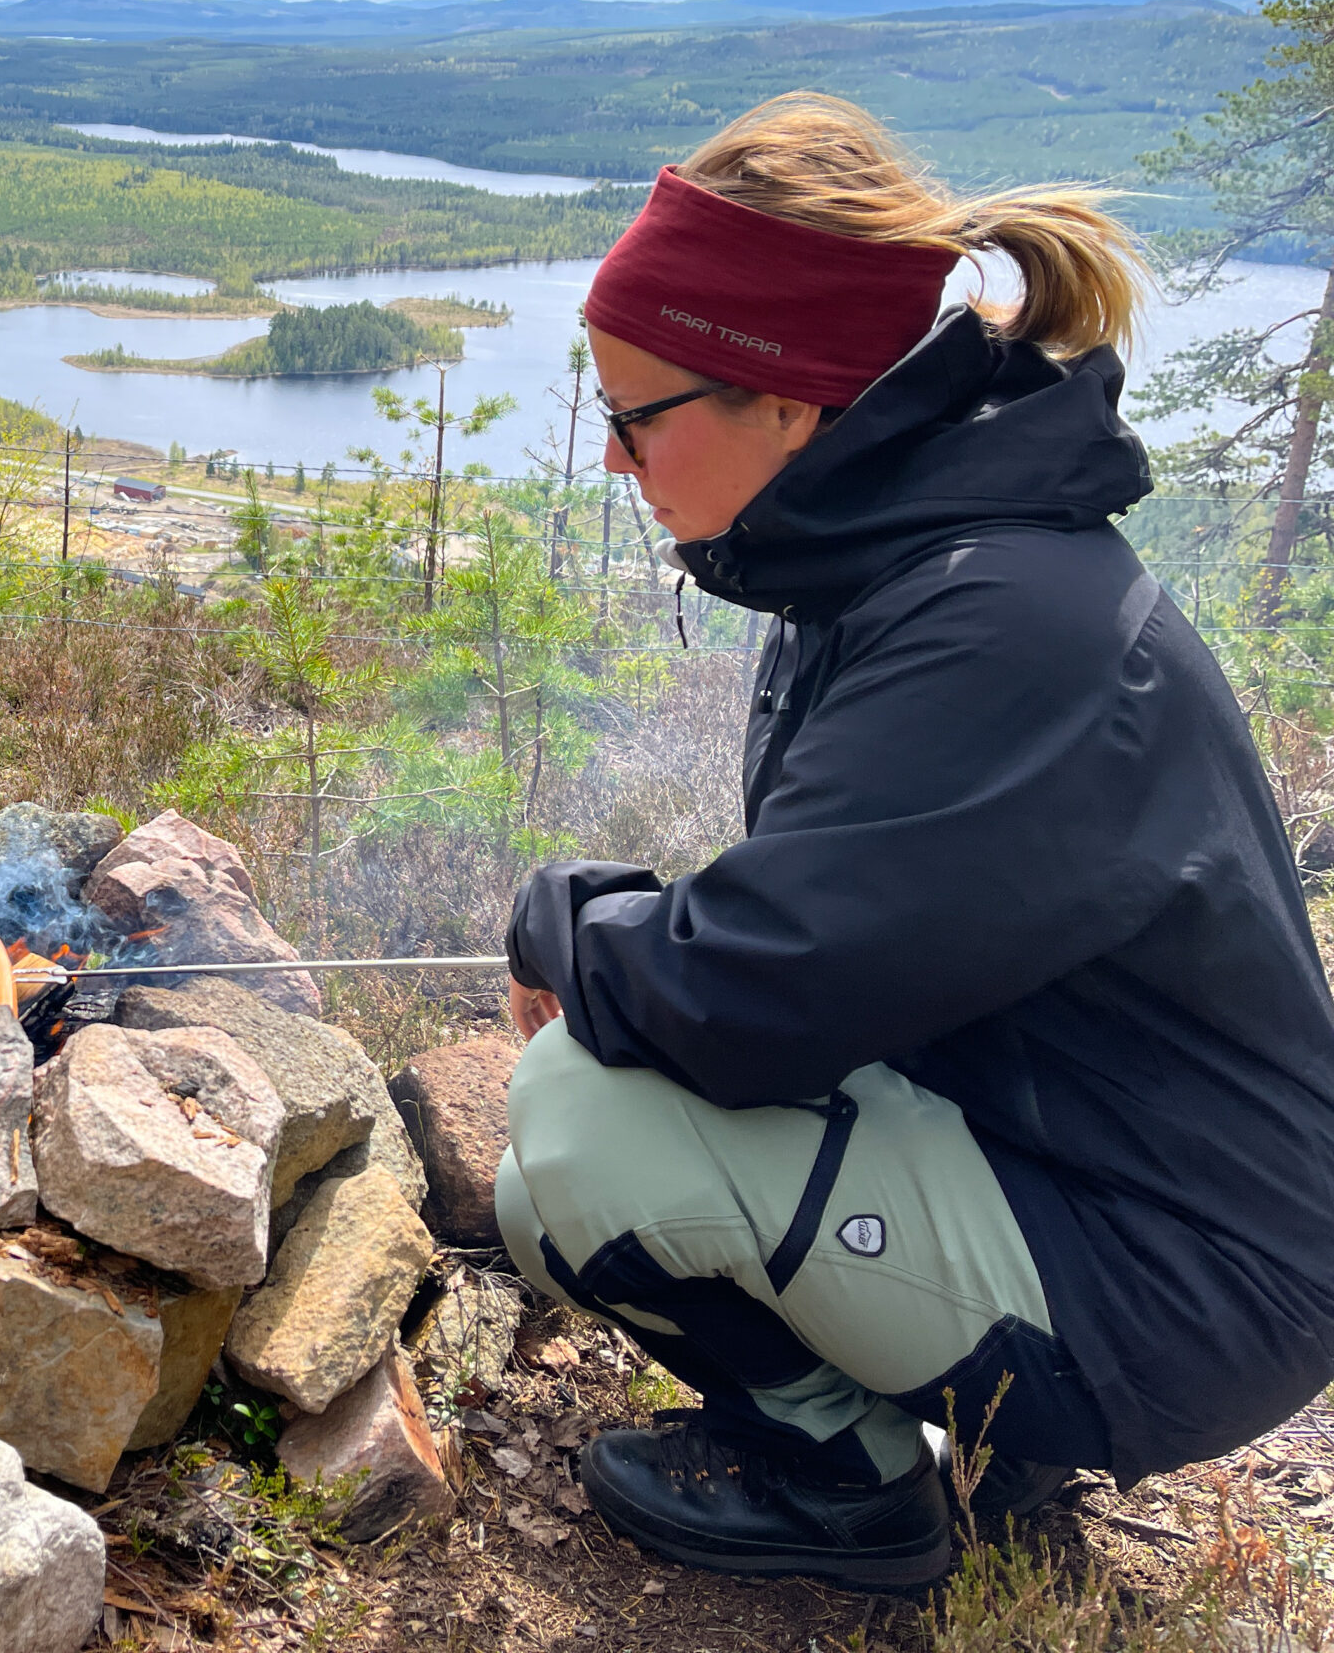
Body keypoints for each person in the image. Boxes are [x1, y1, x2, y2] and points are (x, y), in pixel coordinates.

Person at [494, 92, 1334, 1591]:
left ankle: (849, 1489)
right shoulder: (903, 564)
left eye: (635, 417)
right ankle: (920, 1423)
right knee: (571, 1144)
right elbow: (854, 929)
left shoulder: (1007, 625)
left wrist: (570, 927)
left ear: (789, 403)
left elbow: (752, 999)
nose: (618, 461)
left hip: (1185, 1284)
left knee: (582, 1128)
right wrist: (607, 919)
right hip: (1091, 1175)